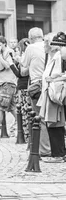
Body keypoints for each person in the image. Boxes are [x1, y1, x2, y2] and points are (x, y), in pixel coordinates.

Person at [20, 27, 51, 156]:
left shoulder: (30, 48)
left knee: (39, 117)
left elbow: (23, 66)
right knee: (52, 117)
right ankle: (53, 147)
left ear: (31, 38)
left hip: (37, 85)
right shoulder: (48, 46)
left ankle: (43, 149)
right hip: (51, 84)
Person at [37, 31, 66, 162]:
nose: (43, 45)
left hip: (57, 94)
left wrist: (55, 78)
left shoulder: (60, 57)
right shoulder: (53, 57)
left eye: (45, 42)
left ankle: (58, 154)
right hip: (52, 94)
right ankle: (58, 153)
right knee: (54, 123)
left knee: (56, 123)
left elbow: (61, 74)